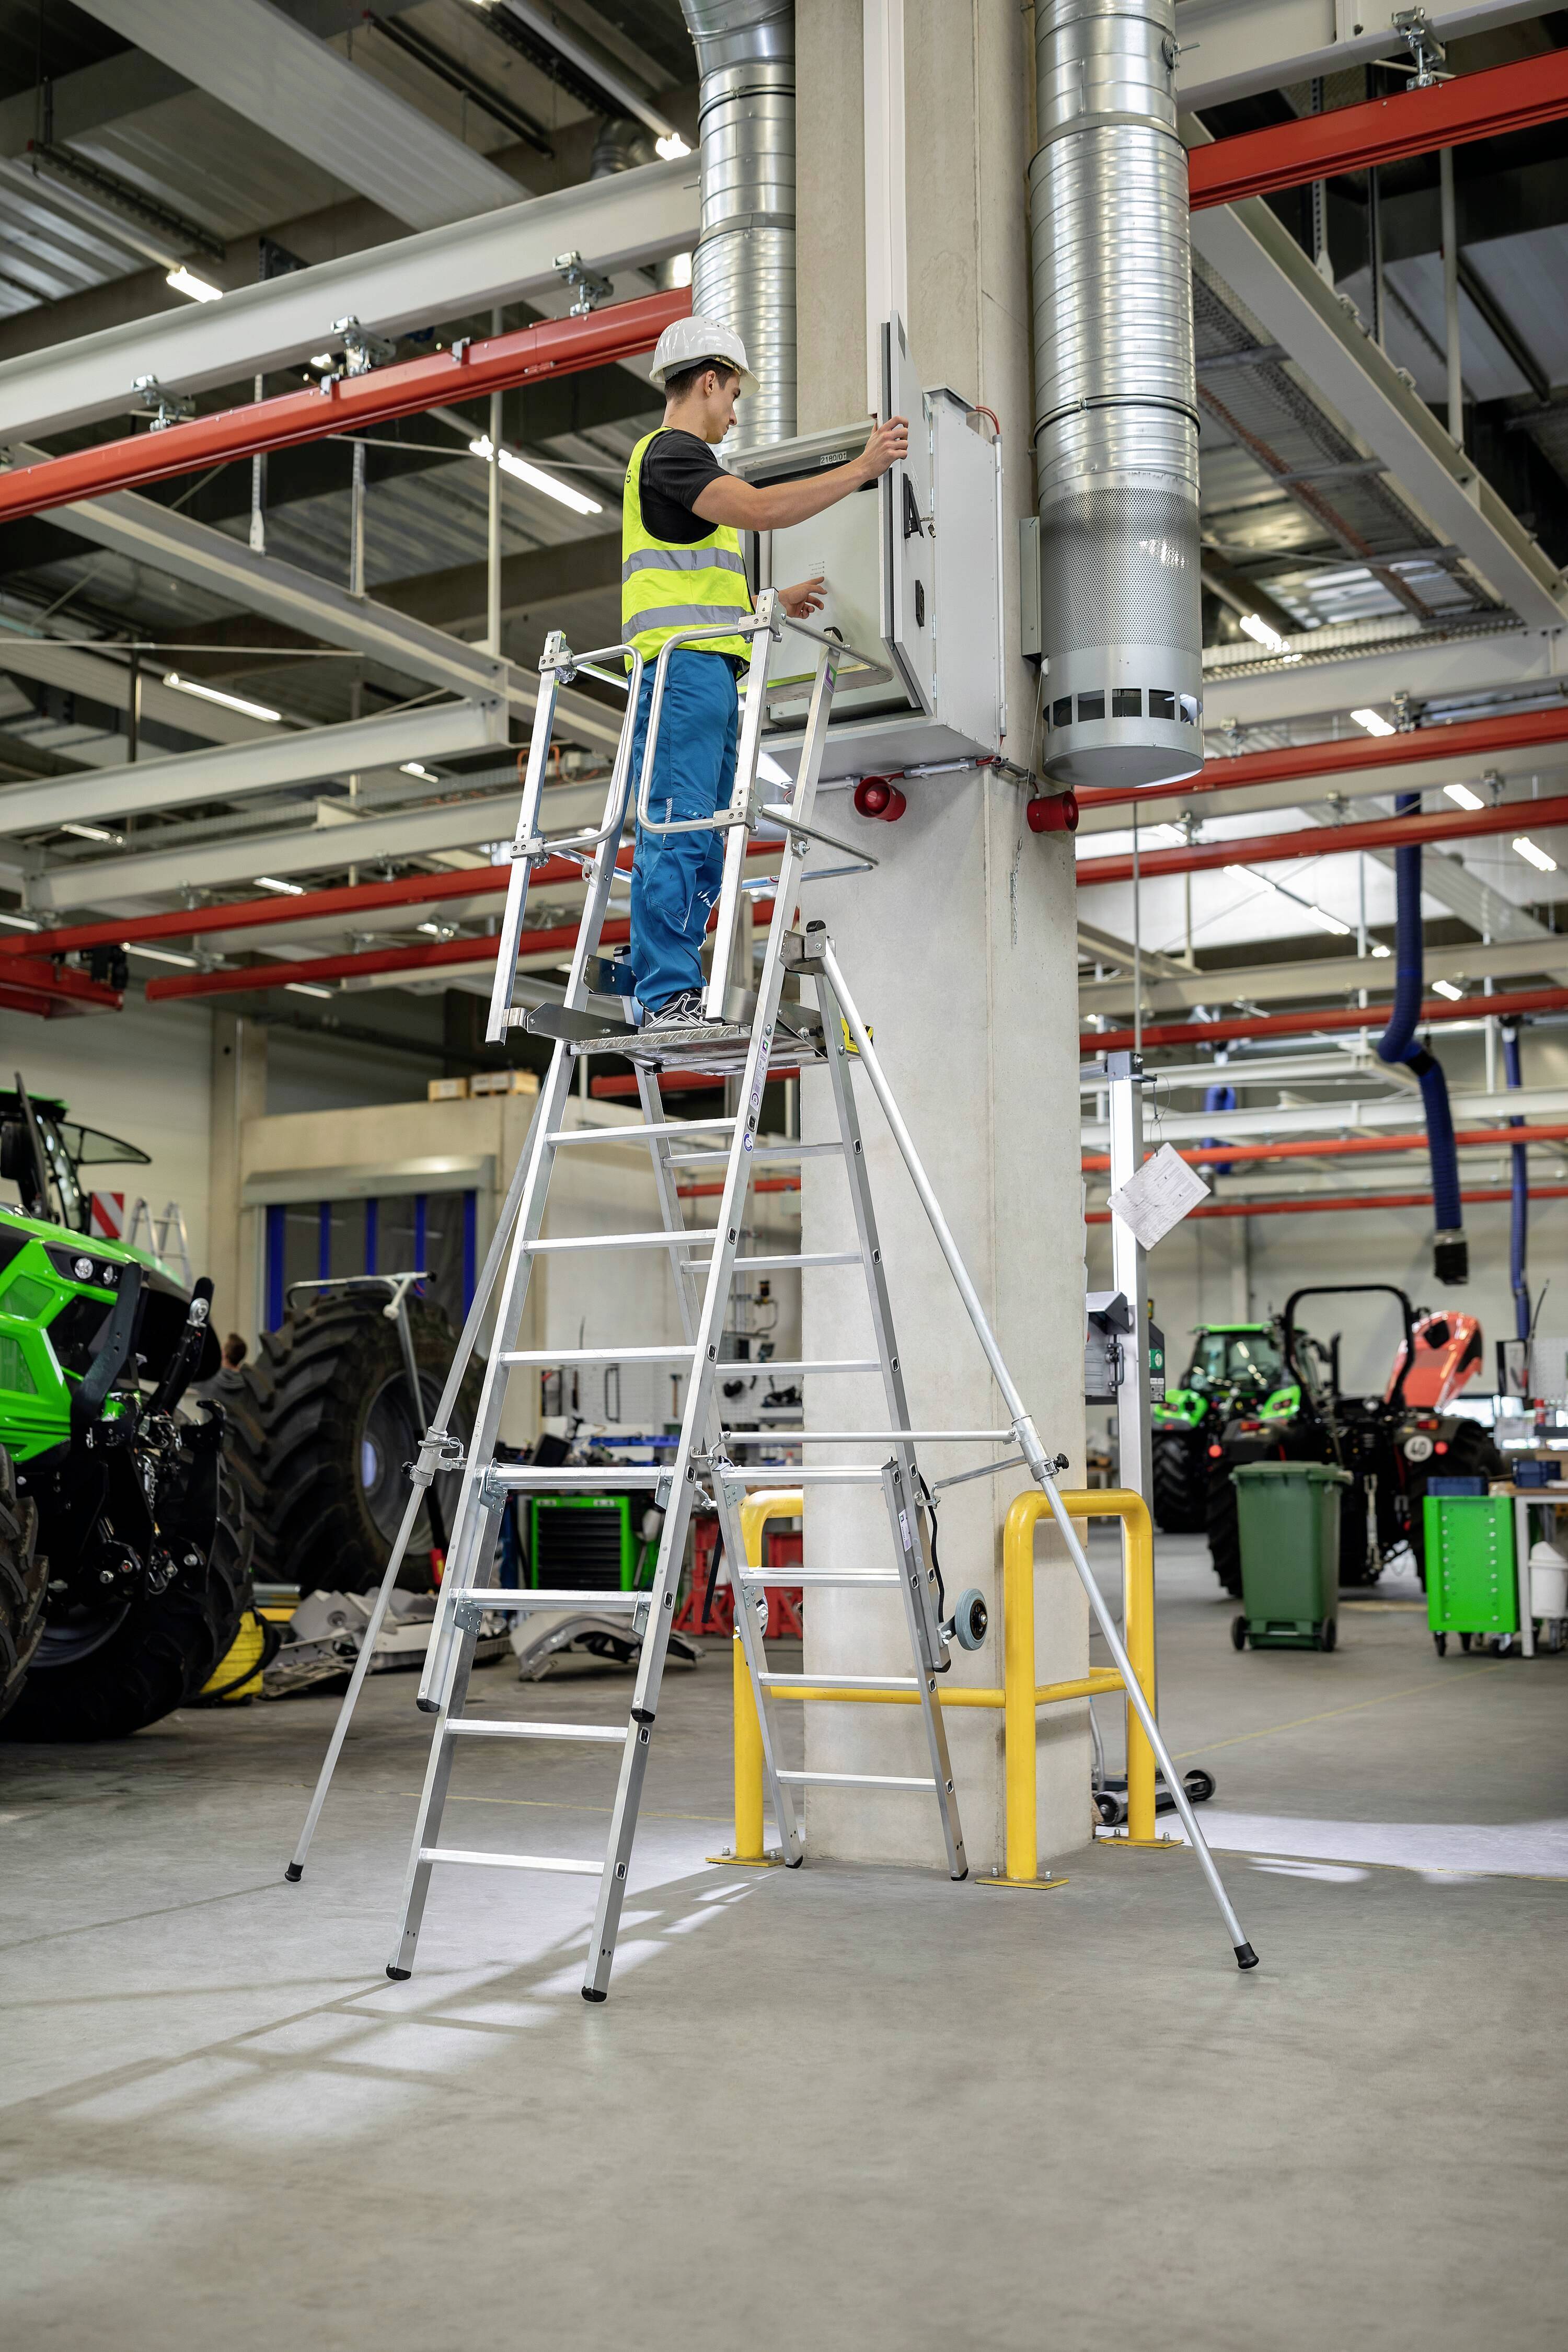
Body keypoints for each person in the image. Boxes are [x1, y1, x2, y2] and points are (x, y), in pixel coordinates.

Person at [623, 315, 908, 1036]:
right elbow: (759, 511)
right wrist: (861, 469)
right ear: (709, 380)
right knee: (681, 826)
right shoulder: (673, 454)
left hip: (711, 669)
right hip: (682, 669)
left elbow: (694, 575)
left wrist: (766, 606)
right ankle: (663, 994)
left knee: (708, 831)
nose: (735, 411)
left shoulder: (683, 468)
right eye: (733, 395)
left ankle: (670, 987)